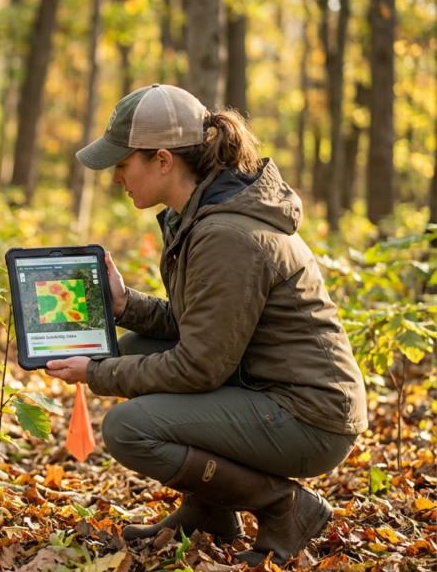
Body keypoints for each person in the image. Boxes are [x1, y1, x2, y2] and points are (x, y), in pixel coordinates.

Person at [44, 84, 366, 566]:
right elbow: (202, 324)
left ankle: (283, 506)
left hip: (310, 416)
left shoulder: (226, 233)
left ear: (162, 160)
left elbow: (199, 367)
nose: (116, 178)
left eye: (122, 164)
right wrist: (124, 304)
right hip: (268, 390)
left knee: (128, 428)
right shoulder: (201, 216)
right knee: (130, 346)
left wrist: (94, 374)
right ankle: (211, 509)